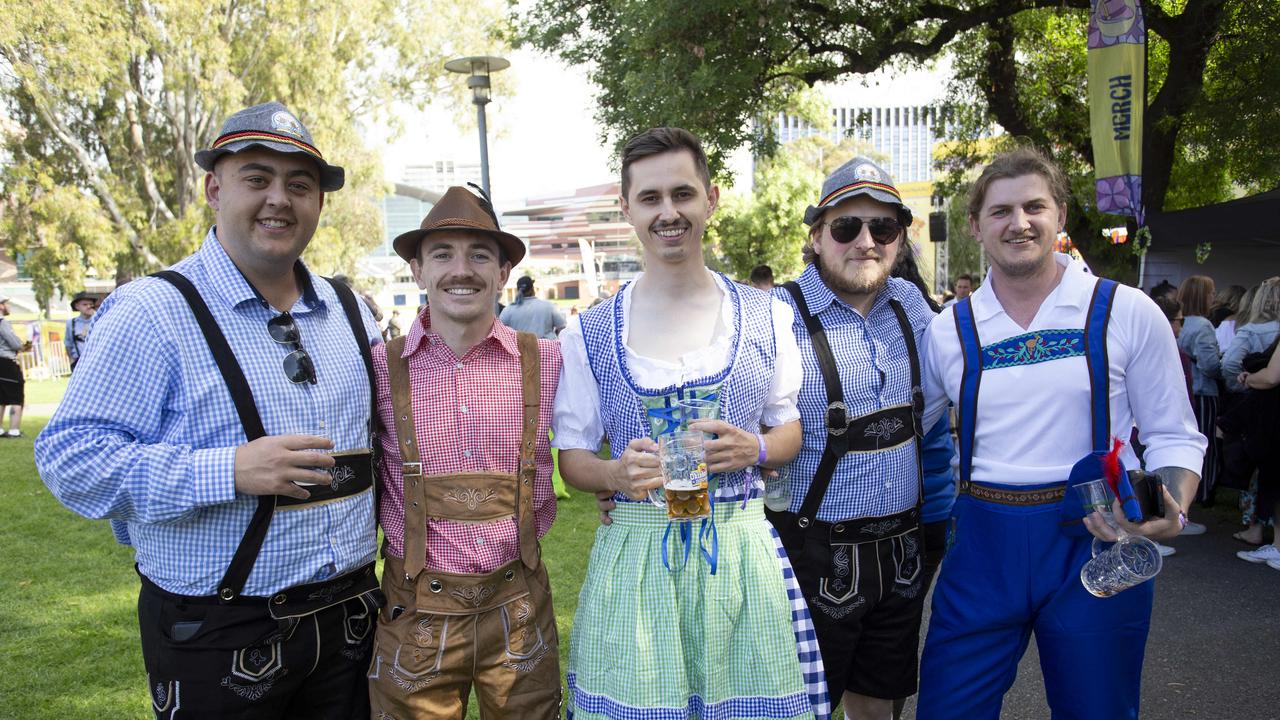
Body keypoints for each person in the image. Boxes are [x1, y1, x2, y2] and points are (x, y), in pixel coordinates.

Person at [35, 101, 383, 720]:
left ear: (319, 204)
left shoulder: (349, 311)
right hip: (221, 631)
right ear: (213, 188)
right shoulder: (151, 311)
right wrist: (226, 471)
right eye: (257, 179)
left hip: (352, 622)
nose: (280, 198)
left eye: (299, 185)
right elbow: (70, 459)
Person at [915, 147, 1206, 719]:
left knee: (1096, 711)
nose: (1018, 223)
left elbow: (1174, 433)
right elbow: (913, 428)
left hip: (1097, 538)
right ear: (976, 226)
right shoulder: (949, 328)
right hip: (982, 546)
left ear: (1061, 216)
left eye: (1033, 207)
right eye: (1000, 211)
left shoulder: (1128, 310)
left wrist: (1168, 504)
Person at [553, 127, 829, 720]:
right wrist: (615, 473)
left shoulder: (766, 315)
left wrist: (754, 447)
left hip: (738, 553)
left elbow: (790, 432)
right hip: (637, 556)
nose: (668, 212)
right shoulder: (590, 331)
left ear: (711, 197)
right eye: (650, 198)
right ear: (626, 208)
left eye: (682, 193)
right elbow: (572, 458)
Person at [366, 186, 564, 717]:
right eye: (442, 255)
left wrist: (612, 484)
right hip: (415, 612)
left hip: (519, 609)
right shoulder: (379, 366)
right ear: (417, 270)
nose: (462, 270)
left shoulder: (549, 362)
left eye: (479, 255)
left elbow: (604, 430)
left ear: (502, 272)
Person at [769, 156, 951, 720]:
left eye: (883, 227)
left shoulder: (915, 309)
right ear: (818, 236)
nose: (865, 241)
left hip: (902, 551)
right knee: (802, 709)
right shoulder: (775, 315)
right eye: (847, 227)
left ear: (899, 237)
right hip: (808, 551)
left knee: (879, 705)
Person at [1176, 276, 1222, 516]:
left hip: (1186, 389)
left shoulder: (1181, 323)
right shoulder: (1203, 326)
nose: (1214, 297)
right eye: (1211, 292)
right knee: (1202, 446)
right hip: (1203, 391)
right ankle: (1196, 501)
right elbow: (1210, 364)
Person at [499, 275, 565, 339]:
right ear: (532, 289)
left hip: (518, 348)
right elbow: (562, 327)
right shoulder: (548, 306)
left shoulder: (508, 310)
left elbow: (499, 331)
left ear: (518, 291)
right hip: (548, 347)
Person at [0, 297, 29, 437]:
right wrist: (22, 346)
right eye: (6, 304)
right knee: (16, 396)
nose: (8, 306)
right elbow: (14, 342)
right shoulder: (2, 323)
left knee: (1, 397)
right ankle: (14, 430)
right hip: (6, 362)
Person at [65, 291, 97, 370]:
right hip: (78, 363)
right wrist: (71, 360)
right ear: (77, 306)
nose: (89, 306)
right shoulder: (71, 323)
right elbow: (68, 344)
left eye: (91, 304)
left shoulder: (98, 321)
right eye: (85, 304)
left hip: (96, 362)